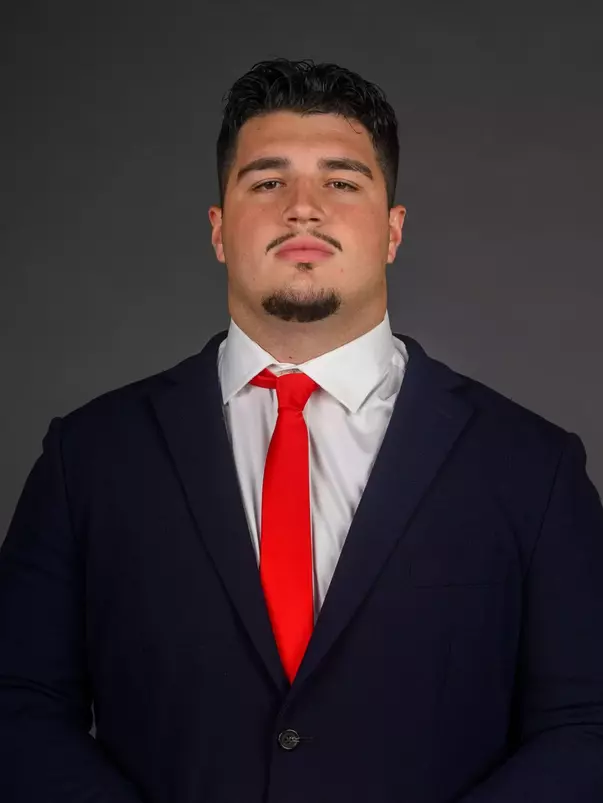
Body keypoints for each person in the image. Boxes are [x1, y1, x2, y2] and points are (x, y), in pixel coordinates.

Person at [1, 57, 602, 803]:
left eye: (342, 182)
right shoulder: (87, 457)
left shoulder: (531, 467)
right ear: (219, 229)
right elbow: (19, 707)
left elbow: (584, 723)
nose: (303, 208)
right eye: (267, 181)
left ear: (392, 230)